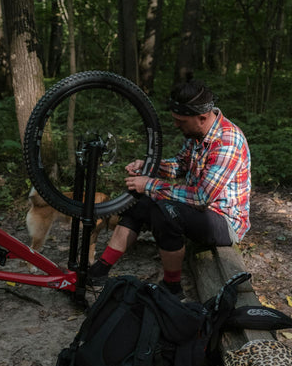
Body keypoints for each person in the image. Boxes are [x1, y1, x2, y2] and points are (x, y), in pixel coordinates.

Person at [88, 78, 251, 298]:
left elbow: (202, 198)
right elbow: (180, 165)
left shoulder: (227, 142)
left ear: (202, 118)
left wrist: (151, 184)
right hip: (200, 210)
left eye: (181, 121)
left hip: (224, 221)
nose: (176, 125)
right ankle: (99, 271)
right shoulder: (198, 133)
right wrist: (149, 167)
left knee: (166, 212)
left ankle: (172, 289)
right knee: (141, 200)